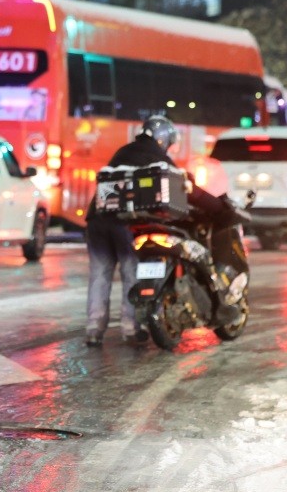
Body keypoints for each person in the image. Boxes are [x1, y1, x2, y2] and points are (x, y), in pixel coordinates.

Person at [85, 115, 232, 346]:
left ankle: (94, 329)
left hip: (98, 220)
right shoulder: (156, 159)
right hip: (126, 222)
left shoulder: (123, 152)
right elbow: (187, 189)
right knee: (131, 272)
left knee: (99, 274)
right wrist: (218, 206)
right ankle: (131, 328)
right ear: (164, 138)